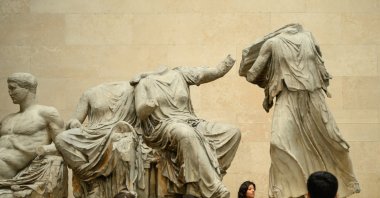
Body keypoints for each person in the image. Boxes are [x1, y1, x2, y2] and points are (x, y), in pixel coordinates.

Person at [239, 24, 360, 198]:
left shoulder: (309, 38)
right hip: (288, 97)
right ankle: (291, 190)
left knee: (334, 142)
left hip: (314, 98)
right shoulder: (273, 43)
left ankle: (331, 188)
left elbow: (320, 67)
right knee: (278, 143)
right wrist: (272, 76)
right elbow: (251, 74)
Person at [131, 55, 241, 198]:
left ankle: (200, 181)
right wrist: (148, 106)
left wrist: (228, 62)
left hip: (191, 122)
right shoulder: (144, 82)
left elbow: (212, 72)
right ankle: (213, 187)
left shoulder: (180, 74)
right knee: (186, 133)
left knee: (233, 133)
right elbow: (140, 112)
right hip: (163, 126)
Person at [54, 81, 152, 198]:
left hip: (119, 132)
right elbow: (74, 119)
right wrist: (74, 123)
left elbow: (143, 114)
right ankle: (90, 179)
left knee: (122, 143)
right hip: (92, 134)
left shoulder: (135, 90)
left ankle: (122, 190)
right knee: (61, 138)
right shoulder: (89, 93)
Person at [0, 73, 64, 179]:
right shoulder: (7, 119)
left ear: (27, 88)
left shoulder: (46, 113)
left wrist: (45, 149)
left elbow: (64, 144)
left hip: (11, 168)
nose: (9, 93)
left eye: (13, 88)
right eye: (8, 89)